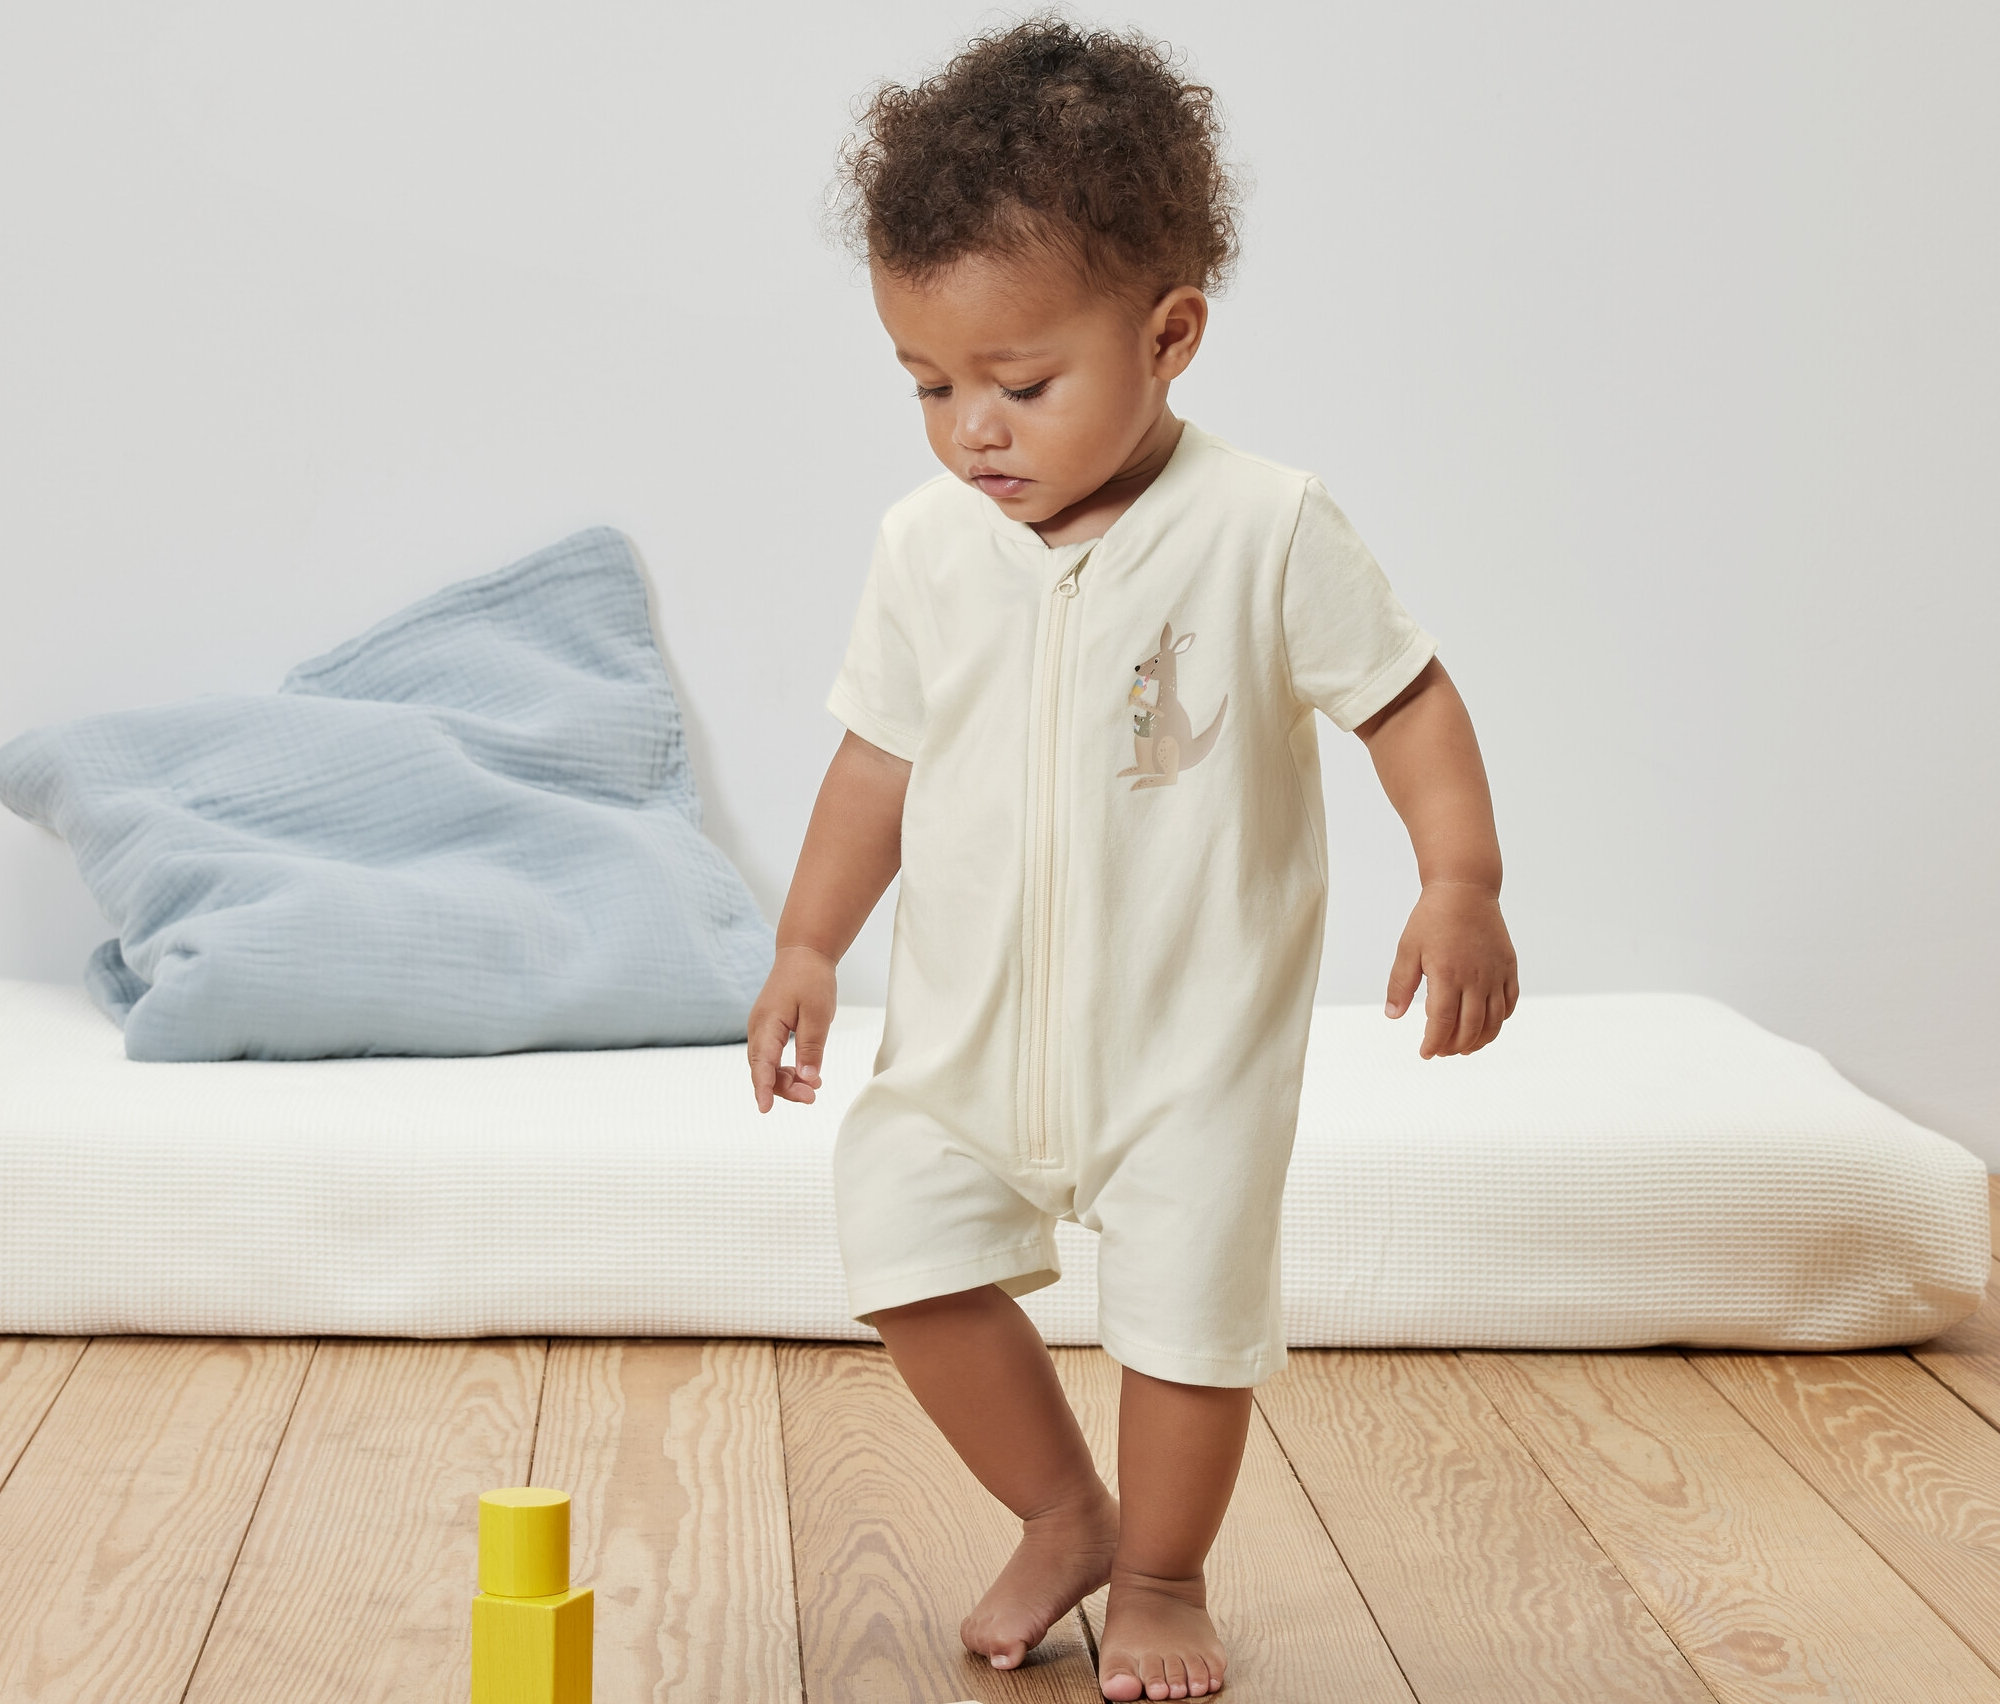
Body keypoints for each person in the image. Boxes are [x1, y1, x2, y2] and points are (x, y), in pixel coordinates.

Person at [746, 19, 1518, 1701]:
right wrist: (809, 945)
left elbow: (1409, 702)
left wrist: (1458, 881)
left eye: (1022, 384)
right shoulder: (928, 550)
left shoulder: (1262, 528)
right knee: (901, 1246)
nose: (974, 432)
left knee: (1185, 1323)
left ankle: (1163, 1572)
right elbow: (875, 758)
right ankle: (1060, 1510)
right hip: (966, 1039)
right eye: (932, 385)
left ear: (1168, 337)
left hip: (1188, 1051)